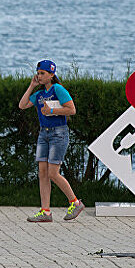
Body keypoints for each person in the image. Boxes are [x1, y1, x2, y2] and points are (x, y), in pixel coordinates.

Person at [18, 60, 84, 222]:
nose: (39, 76)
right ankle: (45, 211)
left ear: (52, 75)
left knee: (53, 173)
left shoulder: (58, 89)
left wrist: (52, 110)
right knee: (42, 173)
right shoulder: (39, 94)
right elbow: (22, 105)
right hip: (43, 135)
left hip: (58, 134)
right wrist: (32, 86)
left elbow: (71, 109)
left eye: (43, 73)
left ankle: (75, 202)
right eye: (38, 73)